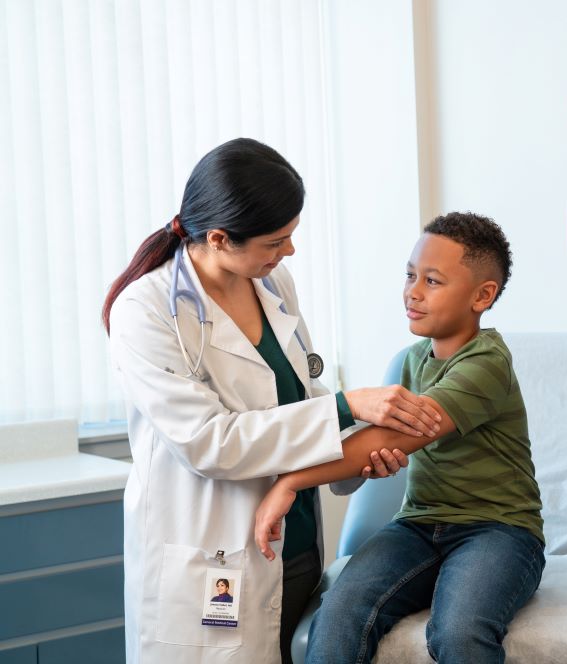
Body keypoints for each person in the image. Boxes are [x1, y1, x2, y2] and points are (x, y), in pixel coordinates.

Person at [103, 138, 444, 664]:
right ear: (218, 237)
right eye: (276, 240)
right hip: (211, 553)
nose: (289, 252)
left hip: (294, 542)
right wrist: (350, 409)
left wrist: (359, 453)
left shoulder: (273, 282)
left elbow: (302, 394)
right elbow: (210, 443)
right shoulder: (146, 311)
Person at [253, 212, 545, 664]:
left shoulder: (487, 363)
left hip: (498, 530)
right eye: (410, 275)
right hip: (418, 526)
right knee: (337, 617)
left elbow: (398, 433)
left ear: (482, 295)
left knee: (460, 633)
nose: (413, 291)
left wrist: (291, 481)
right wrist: (375, 453)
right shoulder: (412, 360)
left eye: (432, 280)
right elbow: (378, 442)